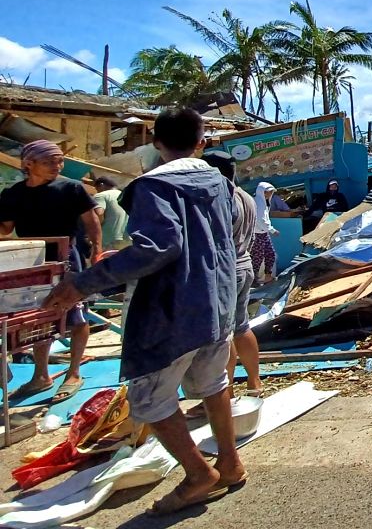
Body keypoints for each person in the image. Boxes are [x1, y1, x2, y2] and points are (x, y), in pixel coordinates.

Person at [43, 108, 245, 517]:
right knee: (212, 383)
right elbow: (207, 239)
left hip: (172, 310)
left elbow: (160, 247)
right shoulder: (219, 182)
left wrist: (82, 283)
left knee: (149, 398)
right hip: (217, 304)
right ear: (201, 141)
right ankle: (229, 462)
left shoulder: (154, 185)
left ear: (155, 142)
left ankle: (198, 475)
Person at [0, 140, 100, 403]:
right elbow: (6, 228)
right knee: (37, 318)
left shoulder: (70, 189)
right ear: (28, 164)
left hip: (67, 258)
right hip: (31, 263)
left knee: (77, 315)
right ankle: (41, 375)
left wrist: (96, 250)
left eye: (59, 161)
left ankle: (74, 372)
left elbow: (92, 221)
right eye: (49, 161)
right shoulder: (13, 194)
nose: (57, 166)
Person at [201, 152, 263, 400]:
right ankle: (254, 383)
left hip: (225, 270)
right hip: (244, 263)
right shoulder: (246, 197)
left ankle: (223, 394)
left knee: (223, 335)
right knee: (241, 326)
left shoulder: (221, 199)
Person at [252, 182, 279, 284]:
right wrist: (271, 230)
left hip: (263, 233)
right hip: (257, 234)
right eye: (267, 192)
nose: (269, 194)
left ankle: (268, 276)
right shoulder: (259, 203)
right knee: (257, 258)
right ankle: (254, 279)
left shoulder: (264, 203)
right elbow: (261, 220)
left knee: (270, 254)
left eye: (270, 192)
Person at [93, 177, 130, 250]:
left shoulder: (101, 195)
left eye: (97, 189)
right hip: (127, 239)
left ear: (101, 185)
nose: (97, 191)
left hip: (108, 240)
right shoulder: (126, 195)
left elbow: (99, 213)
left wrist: (93, 233)